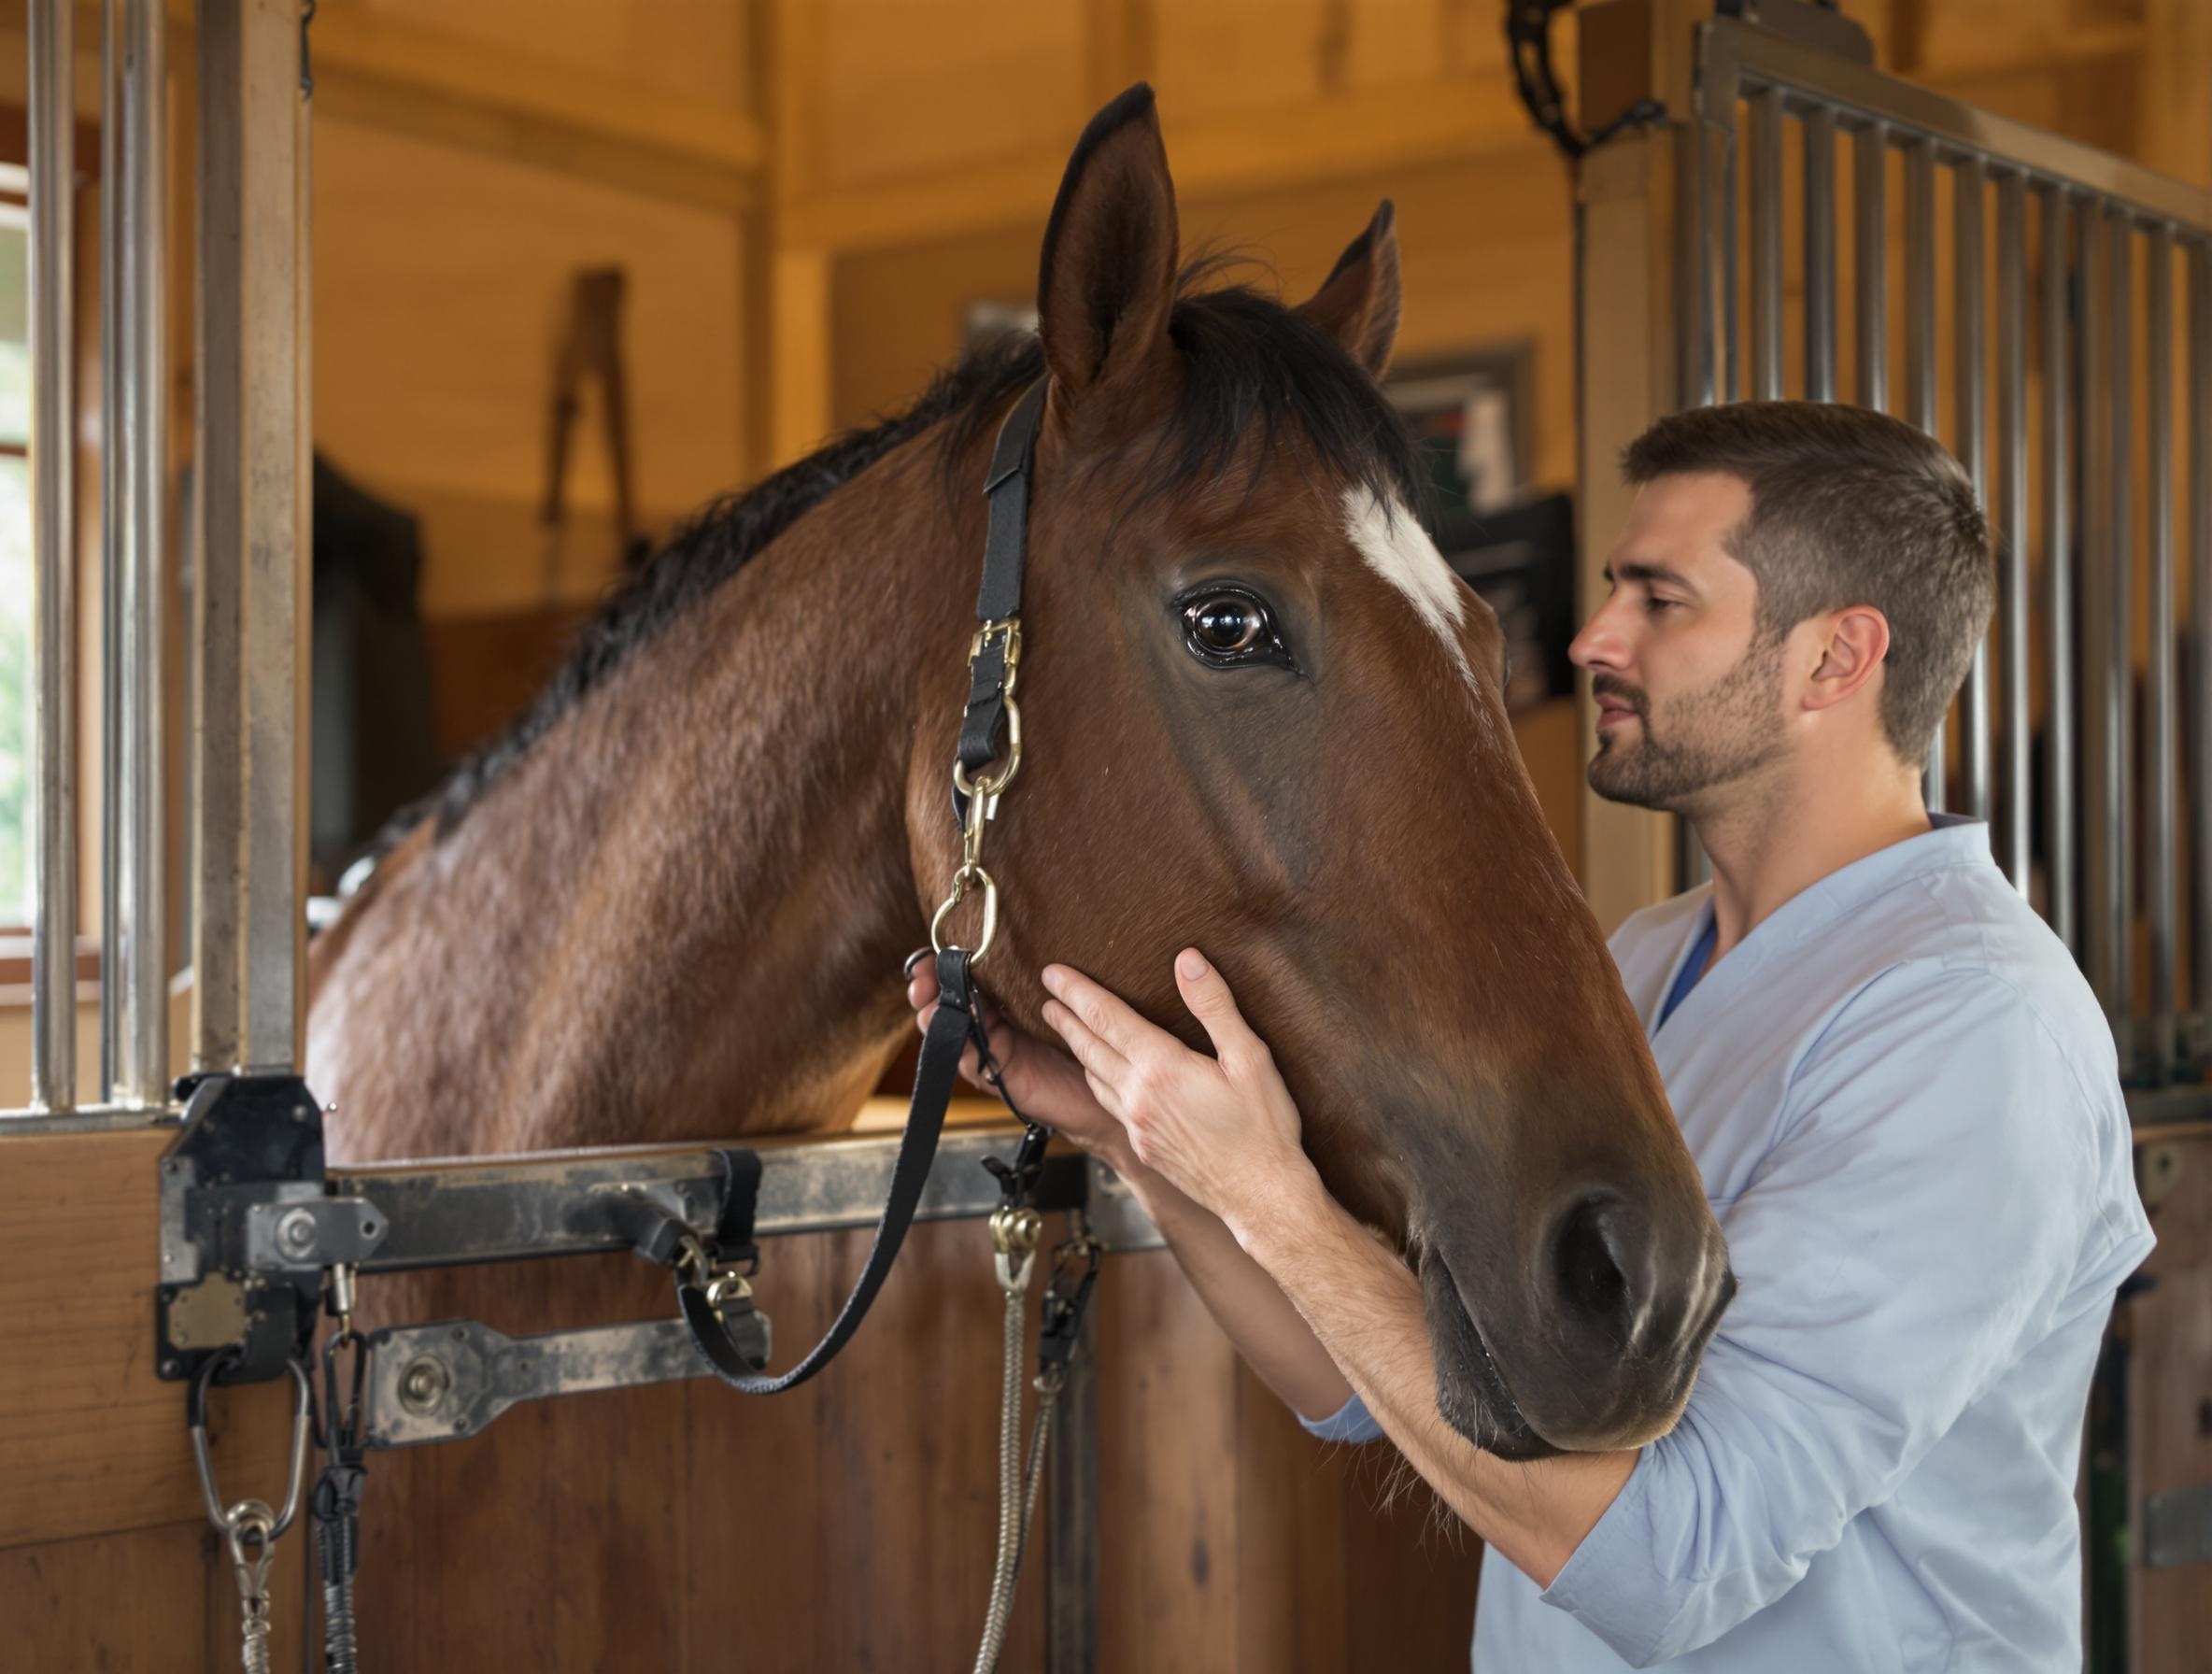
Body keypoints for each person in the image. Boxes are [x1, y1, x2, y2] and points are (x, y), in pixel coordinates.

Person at [908, 401, 2153, 1670]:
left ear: (1837, 659)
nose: (1593, 637)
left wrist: (1276, 1201)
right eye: (1615, 588)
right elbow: (1363, 1387)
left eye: (1660, 601)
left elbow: (1677, 1556)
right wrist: (1141, 1136)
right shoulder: (1652, 957)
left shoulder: (1975, 1030)